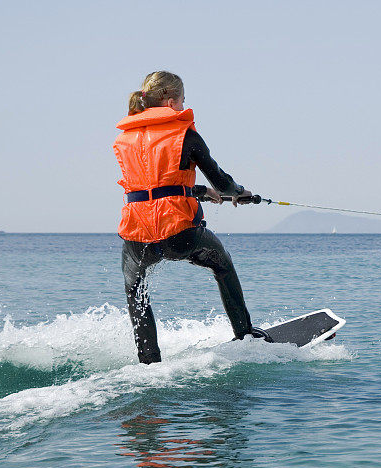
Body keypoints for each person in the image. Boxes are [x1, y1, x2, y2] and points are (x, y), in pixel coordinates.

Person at [114, 71, 268, 364]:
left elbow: (152, 185)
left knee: (134, 285)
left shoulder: (125, 138)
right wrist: (237, 192)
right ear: (171, 101)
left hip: (139, 234)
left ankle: (148, 360)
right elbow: (223, 182)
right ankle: (244, 335)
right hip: (179, 234)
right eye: (183, 100)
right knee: (222, 263)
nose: (184, 105)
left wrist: (196, 190)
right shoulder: (185, 135)